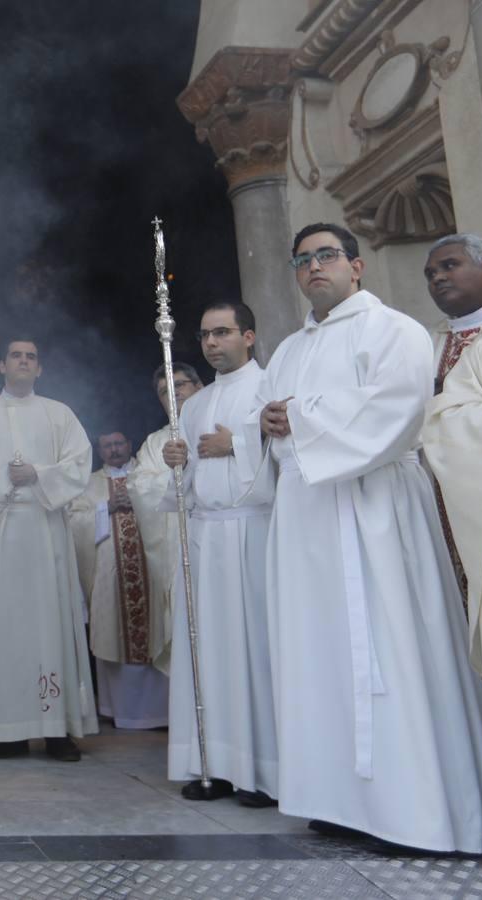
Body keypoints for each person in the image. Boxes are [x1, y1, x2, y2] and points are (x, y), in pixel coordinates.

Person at [241, 222, 482, 853]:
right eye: (302, 259)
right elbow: (274, 431)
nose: (314, 268)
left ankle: (413, 810)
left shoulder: (395, 331)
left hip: (375, 511)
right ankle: (340, 799)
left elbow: (400, 412)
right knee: (318, 653)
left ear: (356, 267)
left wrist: (298, 419)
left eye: (326, 256)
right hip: (307, 517)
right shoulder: (287, 350)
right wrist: (267, 423)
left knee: (390, 652)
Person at [0, 339, 96, 762]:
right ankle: (6, 732)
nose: (23, 361)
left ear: (40, 369)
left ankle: (57, 731)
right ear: (1, 365)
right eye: (15, 355)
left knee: (49, 624)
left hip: (43, 528)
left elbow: (79, 464)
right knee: (0, 629)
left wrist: (39, 473)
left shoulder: (59, 414)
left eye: (31, 356)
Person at [160, 302, 276, 806]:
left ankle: (266, 772)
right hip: (208, 537)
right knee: (210, 653)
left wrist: (241, 444)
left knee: (255, 651)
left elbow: (295, 454)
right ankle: (214, 763)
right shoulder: (194, 405)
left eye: (223, 333)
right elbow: (183, 484)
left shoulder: (271, 385)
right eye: (206, 334)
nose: (211, 343)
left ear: (248, 336)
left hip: (255, 533)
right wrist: (176, 461)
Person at [423, 235, 482, 597]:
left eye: (449, 266)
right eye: (429, 273)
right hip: (448, 507)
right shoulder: (427, 344)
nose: (437, 278)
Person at [70, 429, 168, 729]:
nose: (113, 450)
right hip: (110, 580)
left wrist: (140, 500)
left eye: (118, 444)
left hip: (150, 571)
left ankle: (161, 712)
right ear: (100, 452)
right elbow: (73, 522)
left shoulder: (147, 476)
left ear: (129, 445)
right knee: (115, 632)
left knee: (155, 630)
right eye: (107, 446)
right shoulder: (89, 485)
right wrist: (105, 508)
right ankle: (119, 711)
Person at [128, 362, 202, 669]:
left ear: (199, 387)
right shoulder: (155, 443)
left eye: (180, 385)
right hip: (177, 552)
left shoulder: (219, 425)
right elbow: (140, 488)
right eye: (163, 391)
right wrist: (177, 473)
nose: (172, 394)